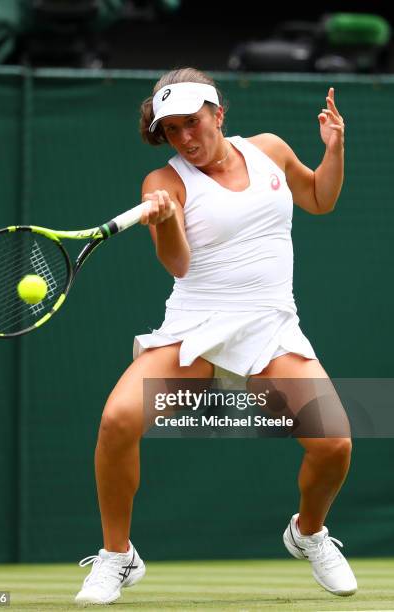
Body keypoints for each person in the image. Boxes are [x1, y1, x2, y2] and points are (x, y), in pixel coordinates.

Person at [75, 67, 356, 605]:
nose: (184, 138)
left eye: (192, 123)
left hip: (270, 327)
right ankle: (118, 556)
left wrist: (334, 148)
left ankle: (308, 533)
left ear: (218, 114)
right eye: (171, 130)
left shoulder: (269, 149)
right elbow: (178, 264)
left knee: (335, 445)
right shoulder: (164, 183)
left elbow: (320, 198)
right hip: (196, 331)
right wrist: (168, 221)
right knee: (117, 421)